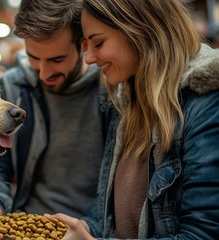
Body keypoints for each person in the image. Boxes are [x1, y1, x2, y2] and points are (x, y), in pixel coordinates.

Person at [47, 0, 219, 239]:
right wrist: (79, 230)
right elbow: (111, 219)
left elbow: (203, 234)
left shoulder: (206, 101)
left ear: (141, 30)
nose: (88, 58)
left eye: (98, 42)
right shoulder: (128, 101)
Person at [0, 0, 113, 239]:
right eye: (33, 57)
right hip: (23, 227)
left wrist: (88, 231)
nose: (43, 72)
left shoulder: (112, 89)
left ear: (83, 45)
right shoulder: (12, 87)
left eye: (56, 60)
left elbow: (114, 192)